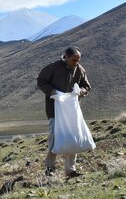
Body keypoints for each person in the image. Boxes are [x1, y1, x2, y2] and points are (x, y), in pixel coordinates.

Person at [37, 46, 91, 178]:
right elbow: (41, 81)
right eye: (73, 60)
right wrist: (52, 91)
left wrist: (81, 92)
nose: (76, 62)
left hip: (71, 111)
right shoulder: (53, 68)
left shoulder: (79, 69)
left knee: (73, 137)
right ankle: (50, 169)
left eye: (78, 60)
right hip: (54, 109)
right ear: (65, 57)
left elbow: (87, 86)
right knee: (54, 138)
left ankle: (70, 170)